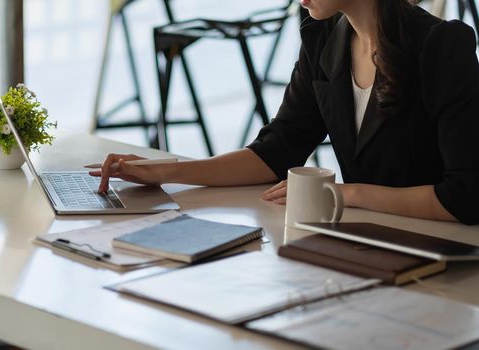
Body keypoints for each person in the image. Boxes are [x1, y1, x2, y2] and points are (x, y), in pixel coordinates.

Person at [91, 0, 479, 225]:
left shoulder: (441, 44)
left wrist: (344, 194)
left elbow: (466, 196)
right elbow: (277, 151)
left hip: (442, 252)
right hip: (366, 239)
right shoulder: (323, 37)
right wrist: (169, 172)